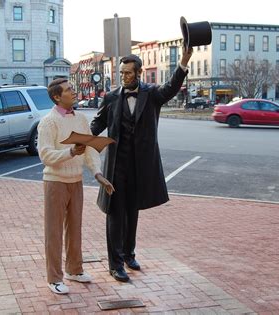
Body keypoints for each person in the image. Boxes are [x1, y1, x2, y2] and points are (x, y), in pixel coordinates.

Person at [90, 46, 194, 282]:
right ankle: (115, 264)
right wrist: (84, 138)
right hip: (116, 167)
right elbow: (97, 124)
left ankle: (128, 254)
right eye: (122, 72)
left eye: (128, 73)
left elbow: (171, 88)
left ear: (138, 73)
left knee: (132, 211)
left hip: (140, 166)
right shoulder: (111, 97)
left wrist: (183, 63)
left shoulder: (151, 94)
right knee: (115, 214)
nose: (124, 76)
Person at [38, 78, 114, 294]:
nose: (73, 92)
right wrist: (70, 152)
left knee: (75, 227)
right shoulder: (48, 122)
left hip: (76, 181)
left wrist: (98, 173)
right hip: (55, 182)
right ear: (56, 97)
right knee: (53, 231)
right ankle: (54, 278)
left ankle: (74, 269)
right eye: (69, 90)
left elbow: (89, 149)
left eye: (72, 88)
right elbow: (45, 155)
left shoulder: (80, 118)